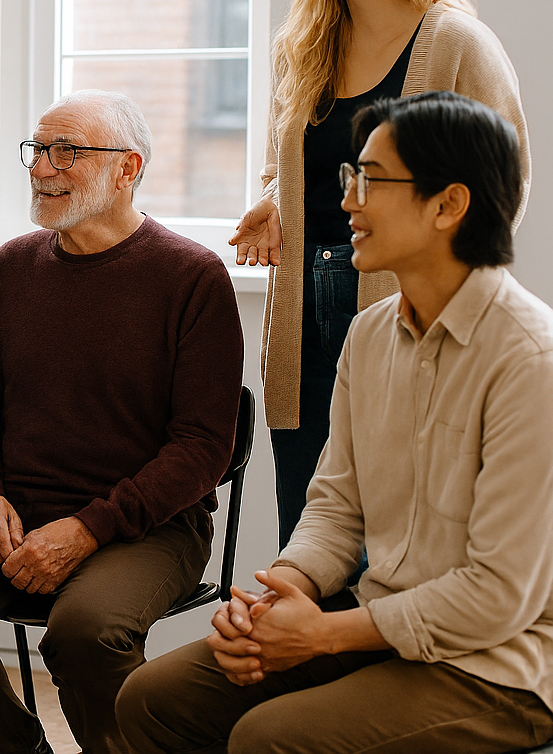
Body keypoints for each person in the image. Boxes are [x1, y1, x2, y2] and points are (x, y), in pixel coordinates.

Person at [118, 92, 553, 753]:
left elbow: (496, 595)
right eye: (353, 177)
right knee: (153, 700)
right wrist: (280, 595)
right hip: (377, 626)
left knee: (269, 737)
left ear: (448, 205)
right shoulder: (374, 333)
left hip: (500, 665)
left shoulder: (531, 361)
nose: (348, 200)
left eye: (372, 180)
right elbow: (336, 505)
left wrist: (320, 635)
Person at [0, 90, 243, 754]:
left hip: (148, 527)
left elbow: (202, 448)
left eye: (67, 152)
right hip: (13, 508)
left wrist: (87, 530)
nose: (42, 167)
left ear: (127, 169)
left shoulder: (193, 278)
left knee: (82, 632)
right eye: (38, 150)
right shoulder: (5, 271)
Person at [226, 0, 530, 547]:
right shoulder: (302, 47)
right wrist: (274, 202)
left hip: (409, 327)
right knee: (310, 542)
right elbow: (285, 164)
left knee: (397, 549)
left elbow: (501, 187)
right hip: (306, 326)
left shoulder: (458, 45)